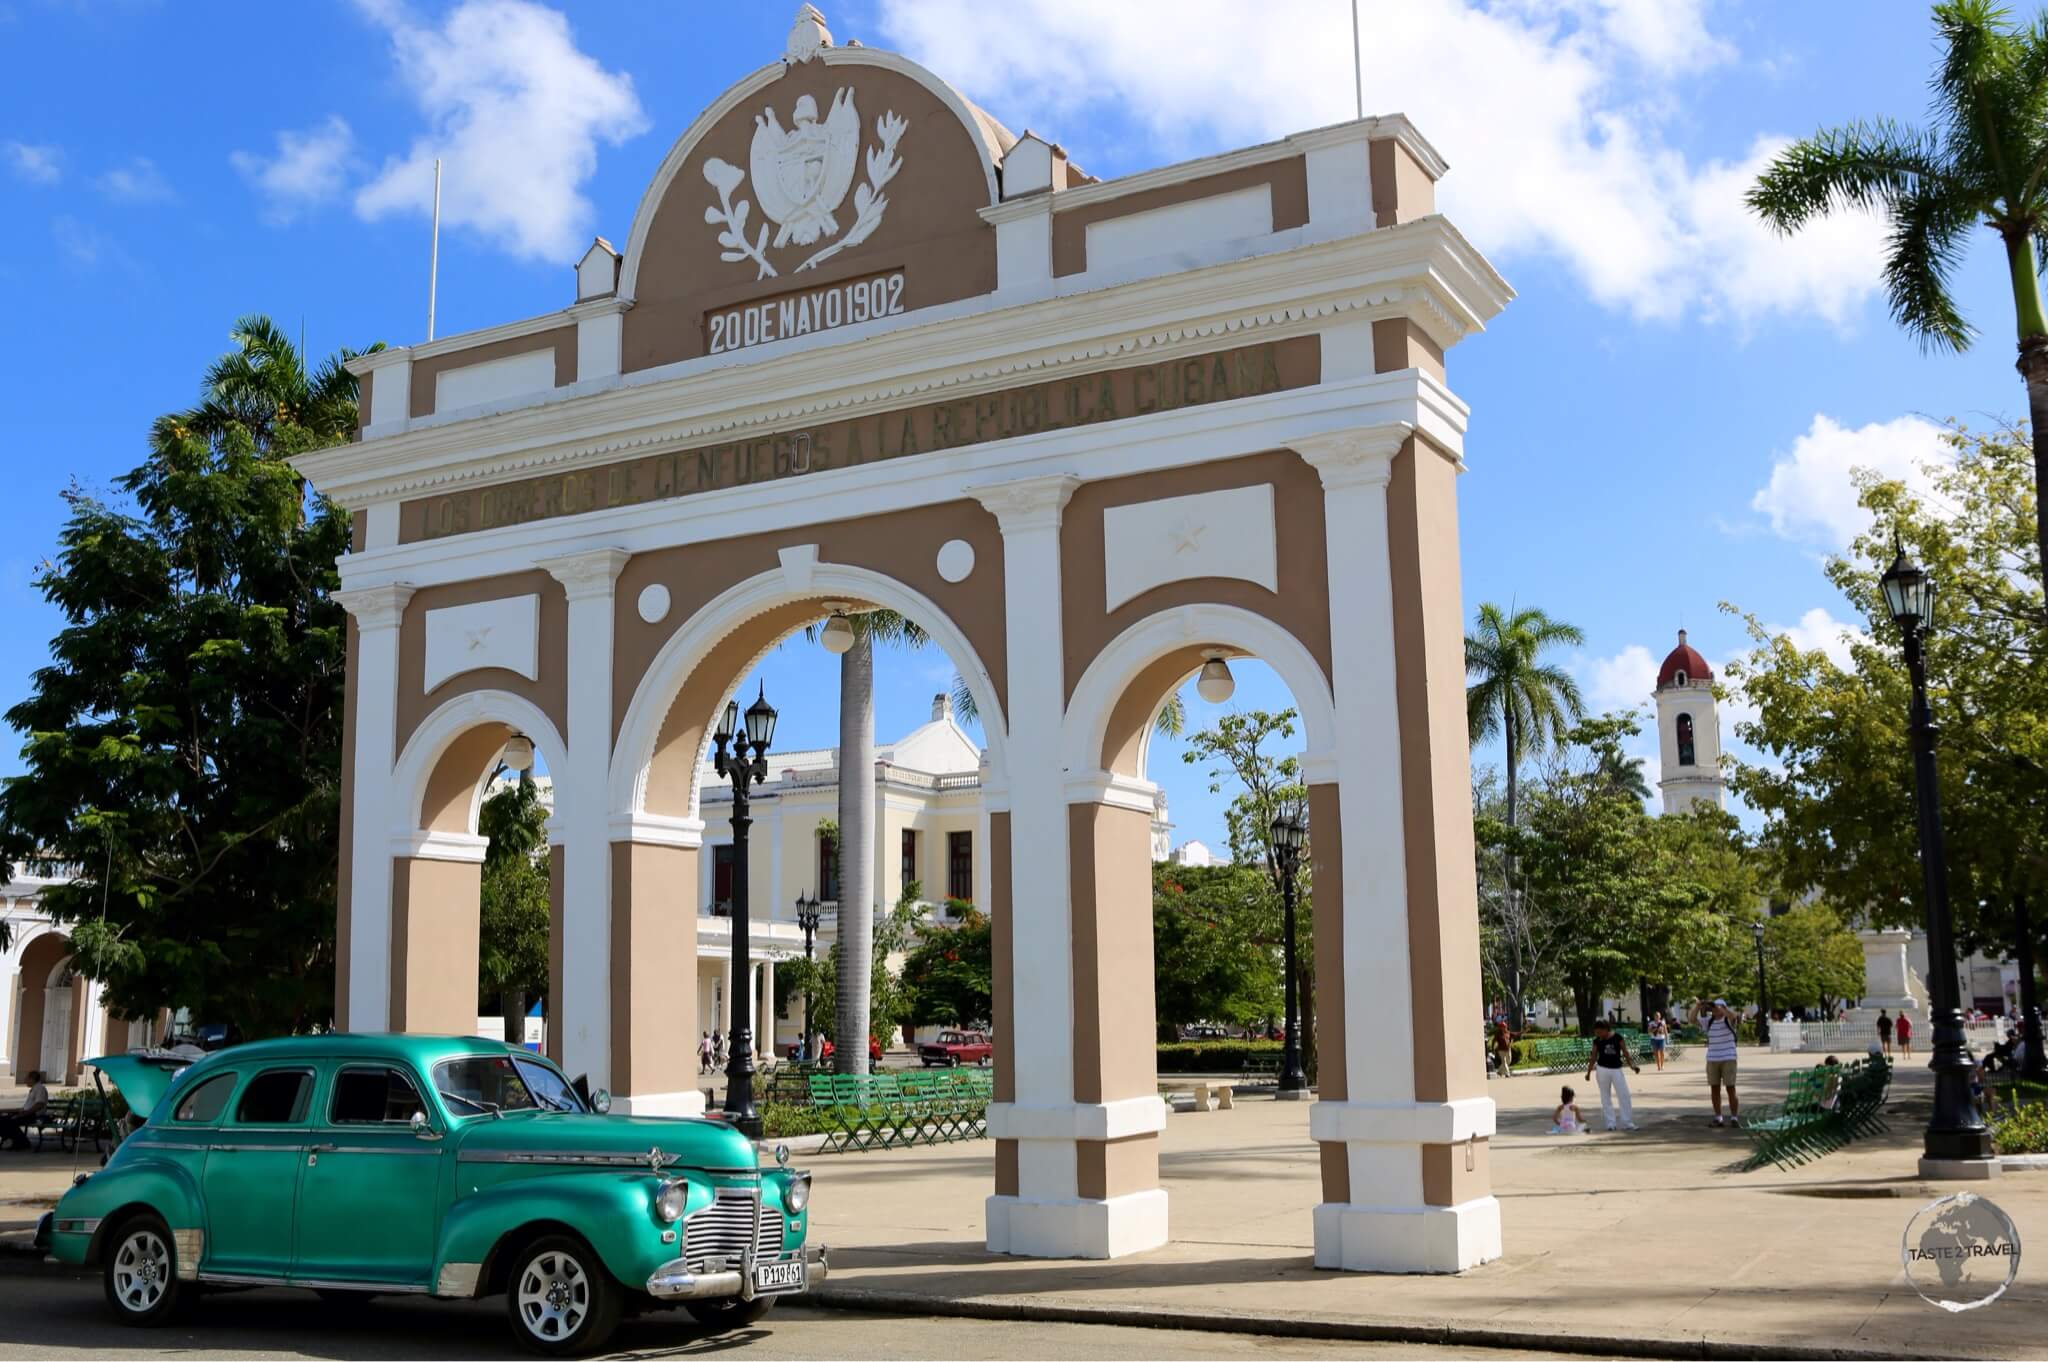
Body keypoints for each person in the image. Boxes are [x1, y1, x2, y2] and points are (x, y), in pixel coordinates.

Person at [1693, 998, 1742, 1126]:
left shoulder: (1728, 1020)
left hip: (1728, 1058)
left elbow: (1733, 1016)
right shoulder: (1709, 1021)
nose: (1715, 1009)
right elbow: (1692, 1019)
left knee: (1731, 1088)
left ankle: (1734, 1117)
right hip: (1712, 1058)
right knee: (1714, 1088)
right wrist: (1698, 1006)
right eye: (1713, 1007)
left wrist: (1723, 1009)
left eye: (1718, 1007)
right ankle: (1718, 1117)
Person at [1584, 1019, 1640, 1131]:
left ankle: (1627, 1122)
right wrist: (1589, 1072)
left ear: (1606, 1029)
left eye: (1600, 1032)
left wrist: (1632, 1066)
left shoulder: (1617, 1038)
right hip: (1602, 1070)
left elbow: (1625, 1052)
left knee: (1624, 1095)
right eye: (1596, 1033)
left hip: (1616, 1069)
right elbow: (1593, 1057)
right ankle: (1610, 1123)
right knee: (1605, 1097)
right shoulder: (1597, 1041)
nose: (1598, 1035)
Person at [0, 1071, 50, 1151]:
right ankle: (13, 1140)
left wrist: (24, 1113)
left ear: (32, 1079)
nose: (25, 1081)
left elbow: (39, 1105)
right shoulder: (34, 1089)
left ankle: (21, 1142)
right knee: (3, 1119)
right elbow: (26, 1107)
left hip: (33, 1115)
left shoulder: (40, 1088)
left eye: (27, 1078)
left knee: (10, 1121)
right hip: (27, 1113)